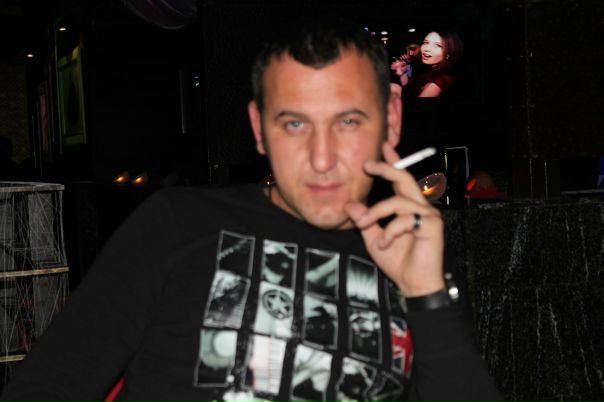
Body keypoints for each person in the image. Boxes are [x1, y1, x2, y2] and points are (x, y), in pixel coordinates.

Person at [0, 18, 502, 402]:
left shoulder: (414, 262)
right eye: (294, 124)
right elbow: (48, 384)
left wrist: (426, 294)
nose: (322, 158)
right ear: (259, 128)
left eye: (348, 121)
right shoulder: (177, 223)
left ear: (390, 118)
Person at [391, 29, 463, 98]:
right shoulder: (430, 69)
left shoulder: (437, 82)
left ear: (448, 54)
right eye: (426, 43)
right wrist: (402, 73)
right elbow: (410, 90)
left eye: (438, 45)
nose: (426, 48)